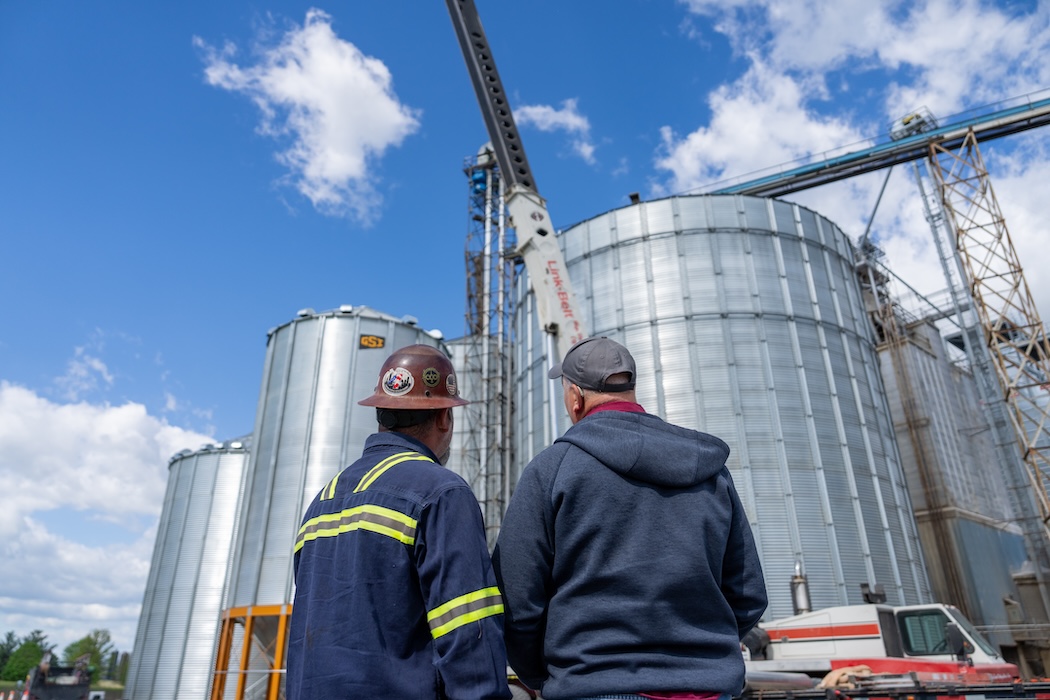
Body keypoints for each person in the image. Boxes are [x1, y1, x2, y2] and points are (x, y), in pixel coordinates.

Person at [492, 336, 768, 700]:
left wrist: (543, 675)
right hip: (710, 688)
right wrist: (702, 658)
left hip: (595, 686)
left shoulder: (554, 469)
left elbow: (516, 602)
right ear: (631, 389)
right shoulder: (711, 472)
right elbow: (748, 595)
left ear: (575, 397)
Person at [287, 344, 512, 700]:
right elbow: (469, 629)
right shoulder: (441, 493)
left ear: (381, 413)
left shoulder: (321, 503)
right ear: (444, 418)